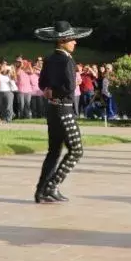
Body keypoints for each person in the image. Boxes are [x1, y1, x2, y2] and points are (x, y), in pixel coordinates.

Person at [34, 19, 89, 203]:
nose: (75, 42)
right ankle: (52, 186)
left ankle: (41, 191)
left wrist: (50, 90)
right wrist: (76, 82)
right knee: (76, 150)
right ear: (62, 41)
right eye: (72, 39)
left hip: (52, 110)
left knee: (54, 151)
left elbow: (42, 83)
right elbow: (69, 86)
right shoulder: (67, 60)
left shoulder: (49, 58)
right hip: (65, 110)